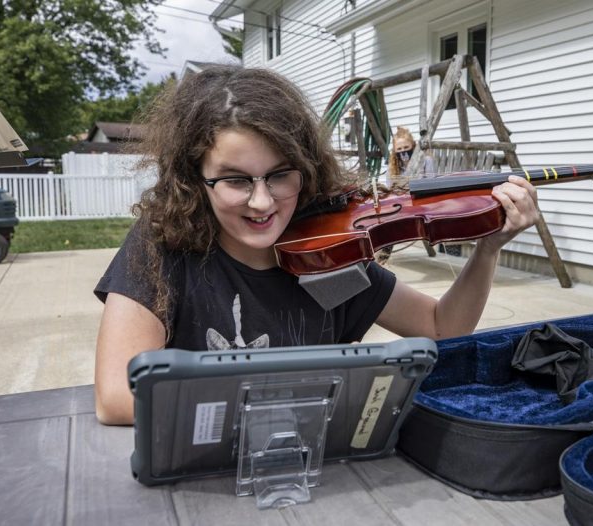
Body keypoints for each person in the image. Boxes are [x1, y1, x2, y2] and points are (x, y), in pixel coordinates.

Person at [93, 66, 539, 425]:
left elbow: (443, 328)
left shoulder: (327, 253)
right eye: (235, 179)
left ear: (306, 168)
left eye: (281, 174)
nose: (262, 201)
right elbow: (117, 396)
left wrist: (489, 249)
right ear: (196, 179)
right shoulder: (164, 244)